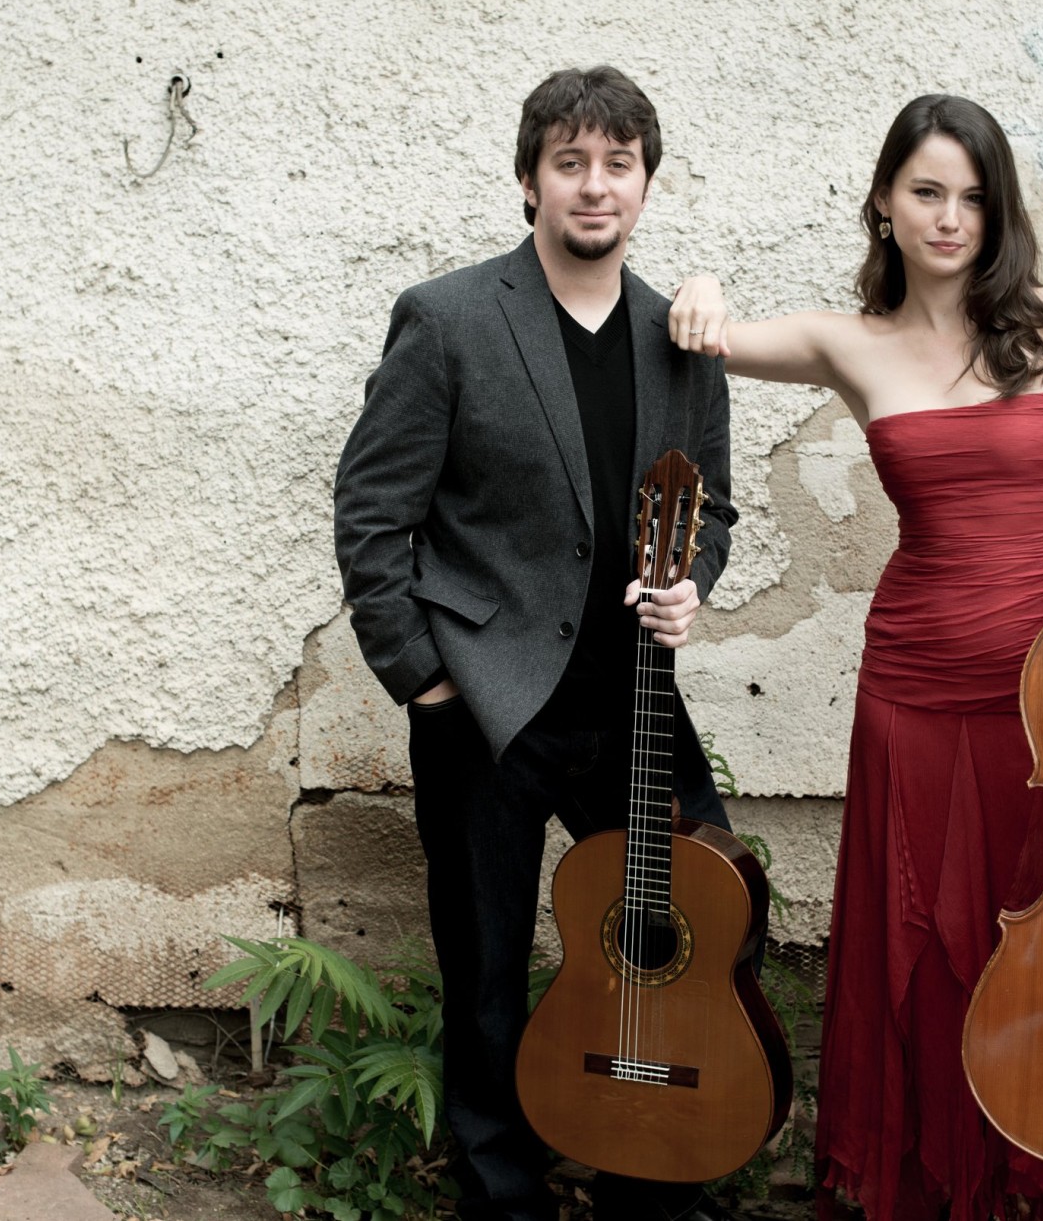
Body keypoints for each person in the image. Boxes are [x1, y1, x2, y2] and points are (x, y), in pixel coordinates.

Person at [668, 94, 1043, 1221]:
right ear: (883, 201)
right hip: (911, 687)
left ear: (998, 208)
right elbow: (704, 339)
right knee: (921, 947)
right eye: (926, 191)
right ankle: (940, 1186)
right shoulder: (847, 341)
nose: (949, 216)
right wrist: (700, 289)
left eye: (972, 196)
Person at [334, 66, 740, 1221]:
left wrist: (691, 587)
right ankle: (503, 1198)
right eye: (570, 162)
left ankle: (648, 1177)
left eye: (617, 163)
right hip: (486, 703)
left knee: (695, 931)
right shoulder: (451, 317)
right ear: (530, 181)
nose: (594, 185)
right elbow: (372, 510)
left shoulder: (682, 335)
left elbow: (709, 509)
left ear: (645, 184)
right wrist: (419, 675)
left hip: (636, 700)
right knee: (488, 978)